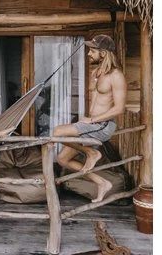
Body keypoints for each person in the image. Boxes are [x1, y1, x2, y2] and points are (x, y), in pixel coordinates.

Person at [54, 34, 127, 203]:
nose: (88, 54)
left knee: (57, 132)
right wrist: (88, 119)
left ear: (103, 53)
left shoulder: (116, 76)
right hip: (92, 124)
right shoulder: (96, 73)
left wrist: (92, 121)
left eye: (92, 51)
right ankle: (102, 183)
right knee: (62, 159)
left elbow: (119, 109)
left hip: (103, 125)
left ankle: (91, 152)